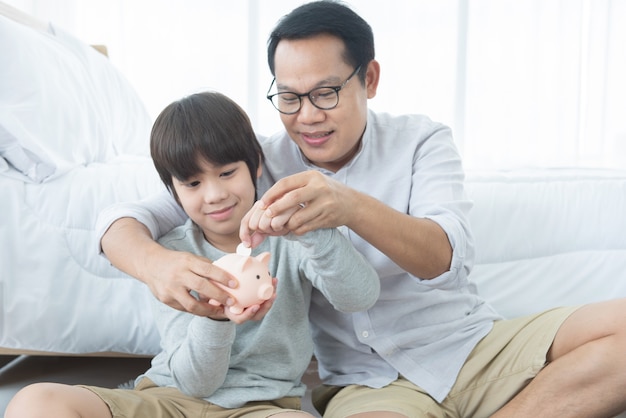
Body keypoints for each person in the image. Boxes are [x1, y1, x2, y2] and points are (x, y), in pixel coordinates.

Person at [94, 1, 626, 417]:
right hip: (366, 383)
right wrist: (156, 266)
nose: (307, 116)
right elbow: (123, 221)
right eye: (289, 96)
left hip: (469, 346)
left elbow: (443, 257)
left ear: (369, 79)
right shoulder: (253, 164)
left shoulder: (422, 141)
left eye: (326, 93)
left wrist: (348, 207)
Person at [4, 91, 380, 418]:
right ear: (173, 190)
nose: (214, 194)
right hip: (170, 398)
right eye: (193, 183)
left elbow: (359, 296)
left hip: (263, 406)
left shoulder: (292, 240)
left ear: (256, 166)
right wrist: (214, 318)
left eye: (228, 172)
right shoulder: (173, 254)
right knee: (35, 402)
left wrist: (317, 233)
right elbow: (196, 383)